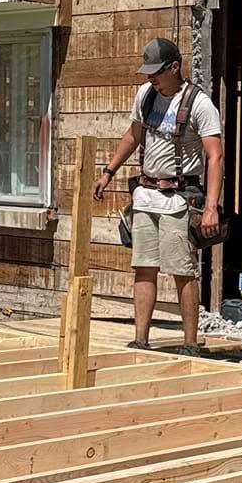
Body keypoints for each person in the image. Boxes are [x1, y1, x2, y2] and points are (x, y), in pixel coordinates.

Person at [94, 38, 224, 354]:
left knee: (182, 270)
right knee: (143, 267)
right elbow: (134, 134)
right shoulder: (146, 95)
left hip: (179, 198)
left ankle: (190, 342)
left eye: (156, 72)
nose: (150, 77)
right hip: (146, 195)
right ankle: (141, 338)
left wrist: (210, 208)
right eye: (148, 72)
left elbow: (215, 156)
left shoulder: (199, 103)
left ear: (174, 67)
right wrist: (108, 171)